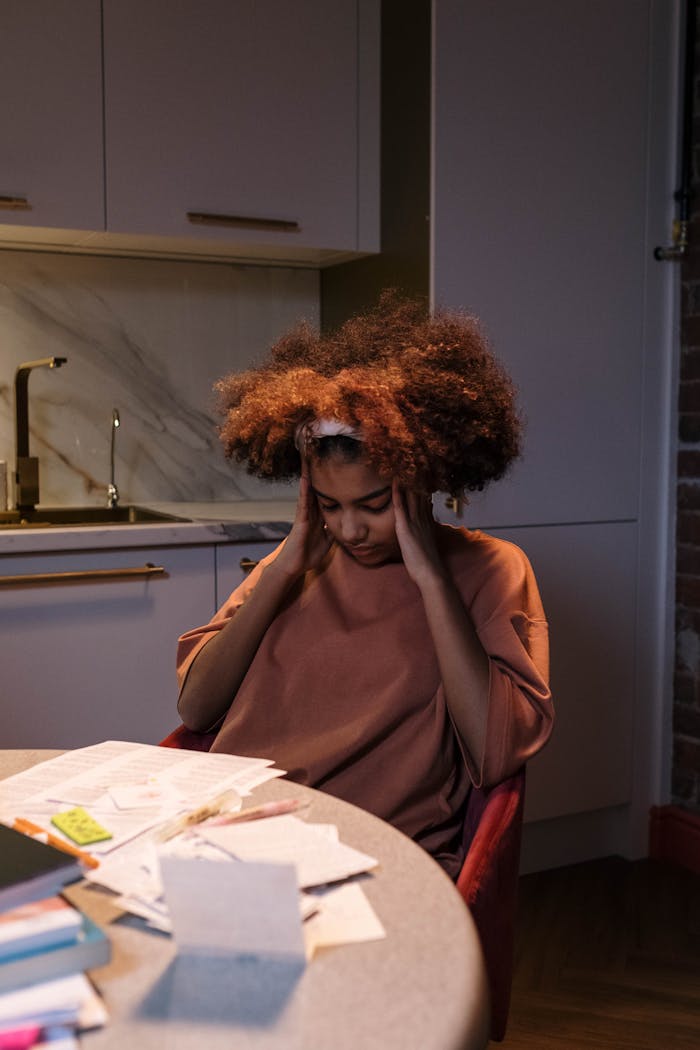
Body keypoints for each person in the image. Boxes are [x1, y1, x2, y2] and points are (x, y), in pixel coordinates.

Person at [176, 293, 553, 878]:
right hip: (233, 837)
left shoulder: (490, 568)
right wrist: (282, 570)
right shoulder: (300, 557)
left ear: (421, 473)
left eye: (374, 504)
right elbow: (197, 709)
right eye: (329, 505)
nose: (350, 529)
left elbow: (495, 755)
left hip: (374, 856)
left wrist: (429, 576)